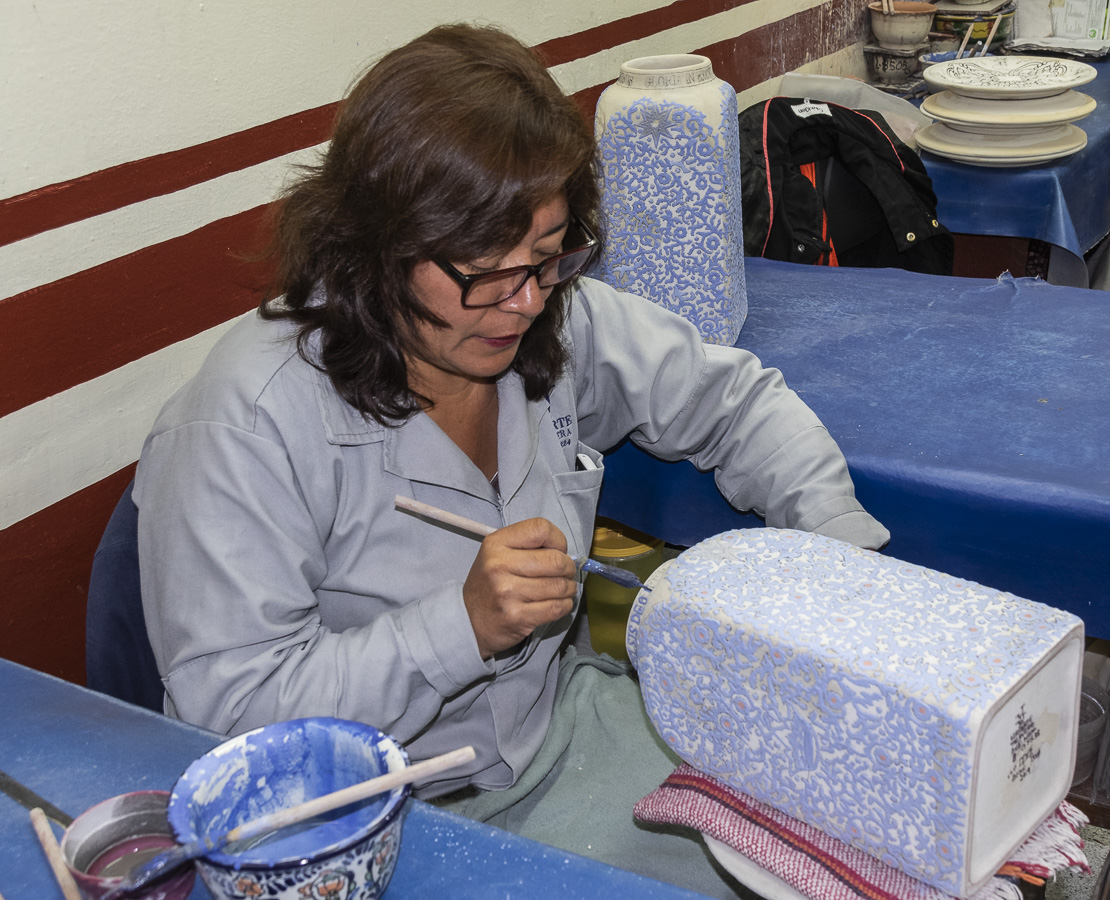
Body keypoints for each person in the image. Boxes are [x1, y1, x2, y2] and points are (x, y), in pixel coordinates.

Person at [134, 22, 889, 897]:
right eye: (487, 272)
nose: (525, 301)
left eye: (547, 257)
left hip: (562, 733)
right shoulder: (247, 424)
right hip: (374, 825)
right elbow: (227, 718)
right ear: (380, 244)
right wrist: (458, 627)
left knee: (841, 836)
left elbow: (735, 401)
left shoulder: (542, 316)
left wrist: (847, 576)